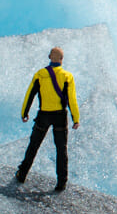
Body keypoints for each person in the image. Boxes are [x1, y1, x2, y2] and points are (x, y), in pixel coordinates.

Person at [16, 47, 80, 191]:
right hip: (60, 116)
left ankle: (22, 174)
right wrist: (75, 118)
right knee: (61, 149)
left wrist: (24, 112)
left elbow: (29, 94)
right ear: (61, 60)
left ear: (49, 57)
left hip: (43, 115)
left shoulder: (40, 74)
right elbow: (72, 100)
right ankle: (61, 183)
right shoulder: (67, 76)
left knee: (33, 146)